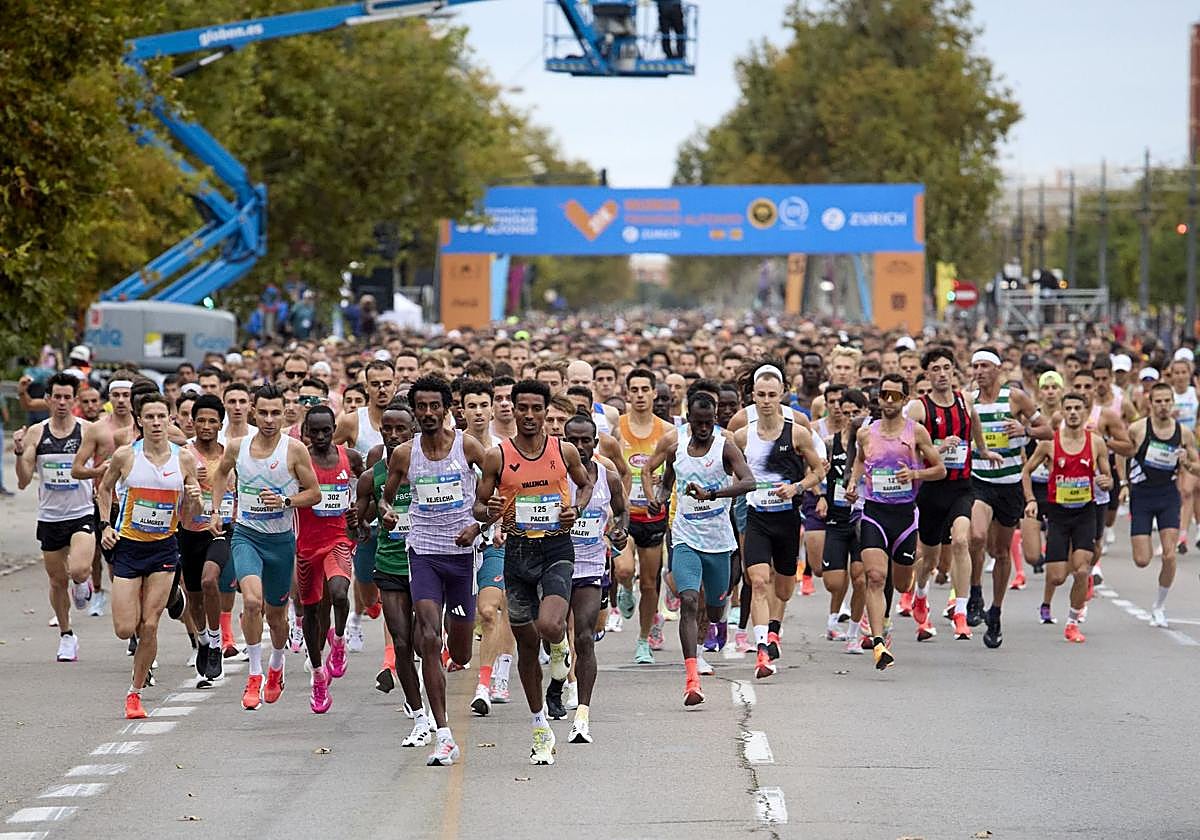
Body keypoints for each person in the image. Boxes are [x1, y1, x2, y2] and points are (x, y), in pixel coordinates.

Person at [473, 379, 594, 766]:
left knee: (550, 624)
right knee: (526, 645)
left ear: (546, 412)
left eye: (535, 409)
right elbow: (479, 505)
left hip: (556, 548)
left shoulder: (564, 450)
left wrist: (576, 507)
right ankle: (540, 726)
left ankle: (559, 655)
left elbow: (585, 484)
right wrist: (488, 510)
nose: (527, 415)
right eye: (520, 408)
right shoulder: (497, 456)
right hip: (517, 553)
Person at [379, 375, 485, 767]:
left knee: (458, 650)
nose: (426, 413)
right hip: (423, 553)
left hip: (462, 557)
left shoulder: (468, 447)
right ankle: (443, 733)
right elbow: (387, 500)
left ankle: (450, 651)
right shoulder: (405, 454)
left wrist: (479, 525)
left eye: (433, 406)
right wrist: (389, 515)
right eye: (420, 407)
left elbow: (492, 494)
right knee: (426, 635)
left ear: (446, 408)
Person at [208, 384, 322, 710]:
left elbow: (314, 493)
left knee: (276, 616)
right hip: (246, 535)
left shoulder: (294, 449)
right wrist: (216, 510)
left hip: (281, 542)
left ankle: (276, 664)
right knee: (253, 601)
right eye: (265, 413)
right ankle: (254, 674)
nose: (270, 419)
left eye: (276, 412)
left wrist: (287, 500)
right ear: (253, 412)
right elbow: (220, 476)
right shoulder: (237, 446)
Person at [95, 393, 202, 718]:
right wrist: (104, 526)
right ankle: (172, 601)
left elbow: (190, 514)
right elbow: (104, 488)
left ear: (170, 419)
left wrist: (196, 498)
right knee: (126, 629)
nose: (156, 423)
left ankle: (135, 693)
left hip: (164, 548)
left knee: (150, 624)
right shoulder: (126, 456)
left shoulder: (183, 459)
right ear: (140, 420)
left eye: (161, 417)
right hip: (128, 546)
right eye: (150, 417)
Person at [646, 392, 754, 705]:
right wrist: (660, 497)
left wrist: (714, 493)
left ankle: (711, 617)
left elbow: (749, 482)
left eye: (709, 422)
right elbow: (668, 480)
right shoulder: (676, 446)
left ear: (716, 418)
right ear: (689, 418)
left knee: (717, 609)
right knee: (690, 600)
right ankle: (691, 679)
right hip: (685, 536)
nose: (704, 428)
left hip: (719, 540)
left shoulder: (726, 446)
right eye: (698, 422)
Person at [846, 374, 945, 670]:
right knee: (874, 577)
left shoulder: (917, 433)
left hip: (904, 515)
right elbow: (861, 461)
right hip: (874, 512)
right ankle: (879, 642)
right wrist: (853, 484)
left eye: (895, 396)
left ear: (905, 399)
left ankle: (894, 612)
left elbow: (939, 469)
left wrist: (914, 474)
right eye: (884, 395)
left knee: (901, 583)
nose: (889, 401)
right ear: (878, 398)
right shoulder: (866, 433)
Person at [732, 365, 824, 679]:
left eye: (773, 395)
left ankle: (774, 629)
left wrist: (797, 487)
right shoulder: (743, 435)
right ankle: (761, 650)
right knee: (758, 581)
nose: (767, 401)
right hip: (757, 518)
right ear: (752, 397)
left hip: (786, 520)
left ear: (782, 394)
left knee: (783, 589)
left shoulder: (796, 431)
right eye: (761, 395)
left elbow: (818, 471)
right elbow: (732, 472)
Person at [904, 347, 998, 643]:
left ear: (954, 371)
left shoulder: (965, 399)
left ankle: (960, 612)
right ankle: (920, 595)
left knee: (961, 541)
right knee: (929, 560)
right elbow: (907, 451)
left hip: (961, 486)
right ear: (927, 374)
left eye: (947, 367)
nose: (942, 374)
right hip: (931, 489)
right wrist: (938, 449)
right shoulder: (919, 408)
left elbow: (975, 424)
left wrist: (982, 449)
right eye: (935, 369)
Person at [356, 401, 432, 745]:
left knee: (425, 639)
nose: (394, 434)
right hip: (390, 562)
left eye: (401, 428)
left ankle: (428, 697)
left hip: (427, 561)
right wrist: (356, 522)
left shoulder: (428, 467)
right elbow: (361, 517)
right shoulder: (373, 475)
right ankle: (418, 714)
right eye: (387, 428)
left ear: (413, 430)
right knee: (401, 642)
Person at [967, 347, 1049, 648]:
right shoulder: (968, 400)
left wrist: (1024, 429)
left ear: (998, 369)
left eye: (984, 366)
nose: (978, 372)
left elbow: (1048, 430)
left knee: (1000, 552)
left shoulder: (1015, 397)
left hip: (1011, 483)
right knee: (975, 537)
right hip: (978, 479)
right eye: (974, 366)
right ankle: (975, 593)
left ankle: (996, 611)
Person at [14, 373, 98, 661]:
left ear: (74, 400)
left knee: (78, 570)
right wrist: (18, 452)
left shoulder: (88, 431)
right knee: (56, 580)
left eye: (67, 397)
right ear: (48, 399)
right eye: (57, 397)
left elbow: (103, 467)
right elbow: (24, 480)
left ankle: (83, 583)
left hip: (81, 513)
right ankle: (66, 635)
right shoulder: (37, 434)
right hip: (50, 517)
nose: (62, 403)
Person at [1021, 392, 1112, 644]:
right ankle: (1059, 600)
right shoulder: (1050, 443)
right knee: (1057, 577)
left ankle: (1072, 622)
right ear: (1062, 412)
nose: (1073, 412)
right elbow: (1026, 472)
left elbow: (1107, 477)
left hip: (1086, 513)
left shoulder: (1096, 443)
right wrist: (1030, 500)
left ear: (1085, 412)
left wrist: (1108, 481)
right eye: (1068, 408)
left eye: (1077, 408)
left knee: (1082, 569)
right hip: (1058, 515)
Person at [561, 413, 628, 742]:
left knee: (585, 636)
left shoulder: (608, 476)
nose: (580, 446)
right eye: (573, 440)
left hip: (589, 566)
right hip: (554, 564)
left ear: (595, 442)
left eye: (586, 440)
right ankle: (560, 673)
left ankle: (583, 715)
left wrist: (620, 531)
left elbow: (622, 510)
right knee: (552, 631)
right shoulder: (554, 475)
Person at [296, 406, 364, 713]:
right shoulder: (298, 461)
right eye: (315, 431)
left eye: (327, 430)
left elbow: (366, 491)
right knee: (311, 613)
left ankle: (338, 641)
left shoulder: (351, 459)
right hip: (306, 546)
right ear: (305, 431)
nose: (321, 436)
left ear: (335, 428)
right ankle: (317, 674)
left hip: (338, 540)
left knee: (339, 593)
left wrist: (359, 515)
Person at [460, 379, 517, 717]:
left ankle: (494, 679)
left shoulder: (502, 450)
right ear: (462, 409)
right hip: (457, 543)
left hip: (495, 539)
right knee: (465, 620)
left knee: (491, 609)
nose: (480, 411)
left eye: (485, 405)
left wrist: (502, 526)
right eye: (473, 405)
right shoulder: (450, 445)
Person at [334, 359, 396, 651]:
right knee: (369, 591)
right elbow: (328, 454)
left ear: (394, 384)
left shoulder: (404, 417)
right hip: (364, 514)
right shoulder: (351, 421)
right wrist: (352, 468)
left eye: (387, 383)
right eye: (376, 384)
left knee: (398, 586)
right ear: (366, 386)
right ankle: (371, 604)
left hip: (400, 516)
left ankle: (396, 650)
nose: (382, 389)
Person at [1127, 382, 1200, 627]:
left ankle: (1159, 606)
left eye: (1167, 401)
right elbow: (1122, 453)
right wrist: (1123, 482)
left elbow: (1197, 466)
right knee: (1141, 560)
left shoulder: (1184, 433)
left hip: (1168, 495)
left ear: (1173, 402)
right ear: (1151, 403)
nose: (1163, 406)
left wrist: (1186, 464)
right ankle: (1149, 546)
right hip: (1142, 495)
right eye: (1158, 401)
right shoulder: (1138, 428)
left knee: (1169, 556)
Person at [178, 394, 237, 688]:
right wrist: (186, 481)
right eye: (200, 420)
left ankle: (215, 642)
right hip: (189, 532)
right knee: (194, 598)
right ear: (193, 422)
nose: (205, 425)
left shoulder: (229, 455)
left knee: (210, 580)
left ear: (220, 424)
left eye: (212, 421)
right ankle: (202, 638)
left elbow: (239, 490)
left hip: (222, 531)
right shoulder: (184, 454)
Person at [615, 369, 673, 664]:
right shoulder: (618, 427)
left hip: (653, 515)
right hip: (625, 514)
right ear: (627, 393)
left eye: (644, 389)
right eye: (634, 389)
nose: (639, 395)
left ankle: (643, 640)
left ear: (654, 394)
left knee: (650, 584)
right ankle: (625, 589)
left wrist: (661, 498)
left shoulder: (666, 430)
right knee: (624, 570)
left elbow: (672, 473)